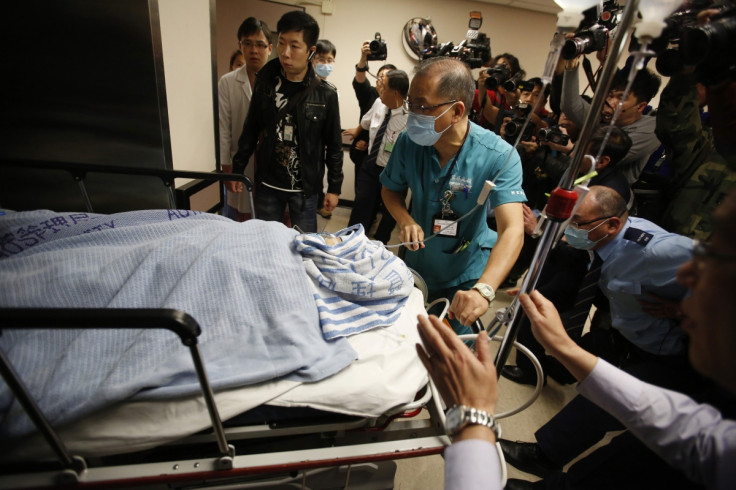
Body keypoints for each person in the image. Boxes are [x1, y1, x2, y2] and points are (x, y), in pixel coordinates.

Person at [419, 185, 736, 490]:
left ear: (612, 224)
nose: (688, 276)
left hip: (656, 350)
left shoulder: (661, 252)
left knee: (603, 421)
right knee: (602, 416)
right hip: (624, 336)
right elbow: (669, 418)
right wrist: (562, 346)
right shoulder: (715, 438)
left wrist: (472, 414)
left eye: (718, 253)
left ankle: (545, 456)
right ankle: (548, 458)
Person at [380, 57, 525, 335]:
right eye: (411, 104)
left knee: (450, 353)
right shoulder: (409, 143)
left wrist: (483, 290)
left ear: (457, 111)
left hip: (465, 275)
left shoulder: (499, 156)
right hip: (416, 266)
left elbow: (512, 230)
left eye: (423, 106)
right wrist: (405, 219)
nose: (413, 114)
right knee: (406, 340)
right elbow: (390, 188)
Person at [227, 11, 343, 233]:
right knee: (266, 242)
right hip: (269, 184)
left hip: (305, 189)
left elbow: (335, 146)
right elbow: (250, 130)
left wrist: (334, 188)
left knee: (304, 246)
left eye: (294, 46)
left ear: (311, 51)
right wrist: (238, 169)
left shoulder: (325, 95)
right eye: (281, 43)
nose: (285, 53)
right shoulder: (266, 83)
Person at [561, 59, 662, 184]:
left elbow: (604, 157)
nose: (611, 103)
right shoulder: (604, 117)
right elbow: (570, 106)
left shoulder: (651, 129)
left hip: (609, 194)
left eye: (622, 98)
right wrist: (572, 65)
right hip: (577, 185)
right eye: (611, 95)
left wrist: (571, 150)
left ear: (640, 106)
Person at [344, 69, 409, 243]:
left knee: (389, 213)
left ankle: (380, 244)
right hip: (371, 165)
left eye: (383, 86)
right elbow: (366, 123)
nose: (379, 88)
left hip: (394, 173)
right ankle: (352, 241)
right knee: (361, 205)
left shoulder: (411, 118)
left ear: (395, 93)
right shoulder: (379, 103)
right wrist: (357, 132)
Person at [218, 17, 273, 222]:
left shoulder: (280, 81)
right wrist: (227, 167)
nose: (254, 50)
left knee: (270, 216)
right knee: (243, 216)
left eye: (260, 45)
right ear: (239, 45)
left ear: (269, 48)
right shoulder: (228, 82)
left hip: (271, 164)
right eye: (248, 44)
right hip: (241, 161)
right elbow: (224, 128)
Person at [311, 39, 338, 220]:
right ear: (311, 58)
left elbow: (334, 140)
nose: (326, 64)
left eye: (330, 60)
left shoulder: (331, 93)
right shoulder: (302, 88)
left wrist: (334, 188)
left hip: (318, 160)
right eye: (321, 59)